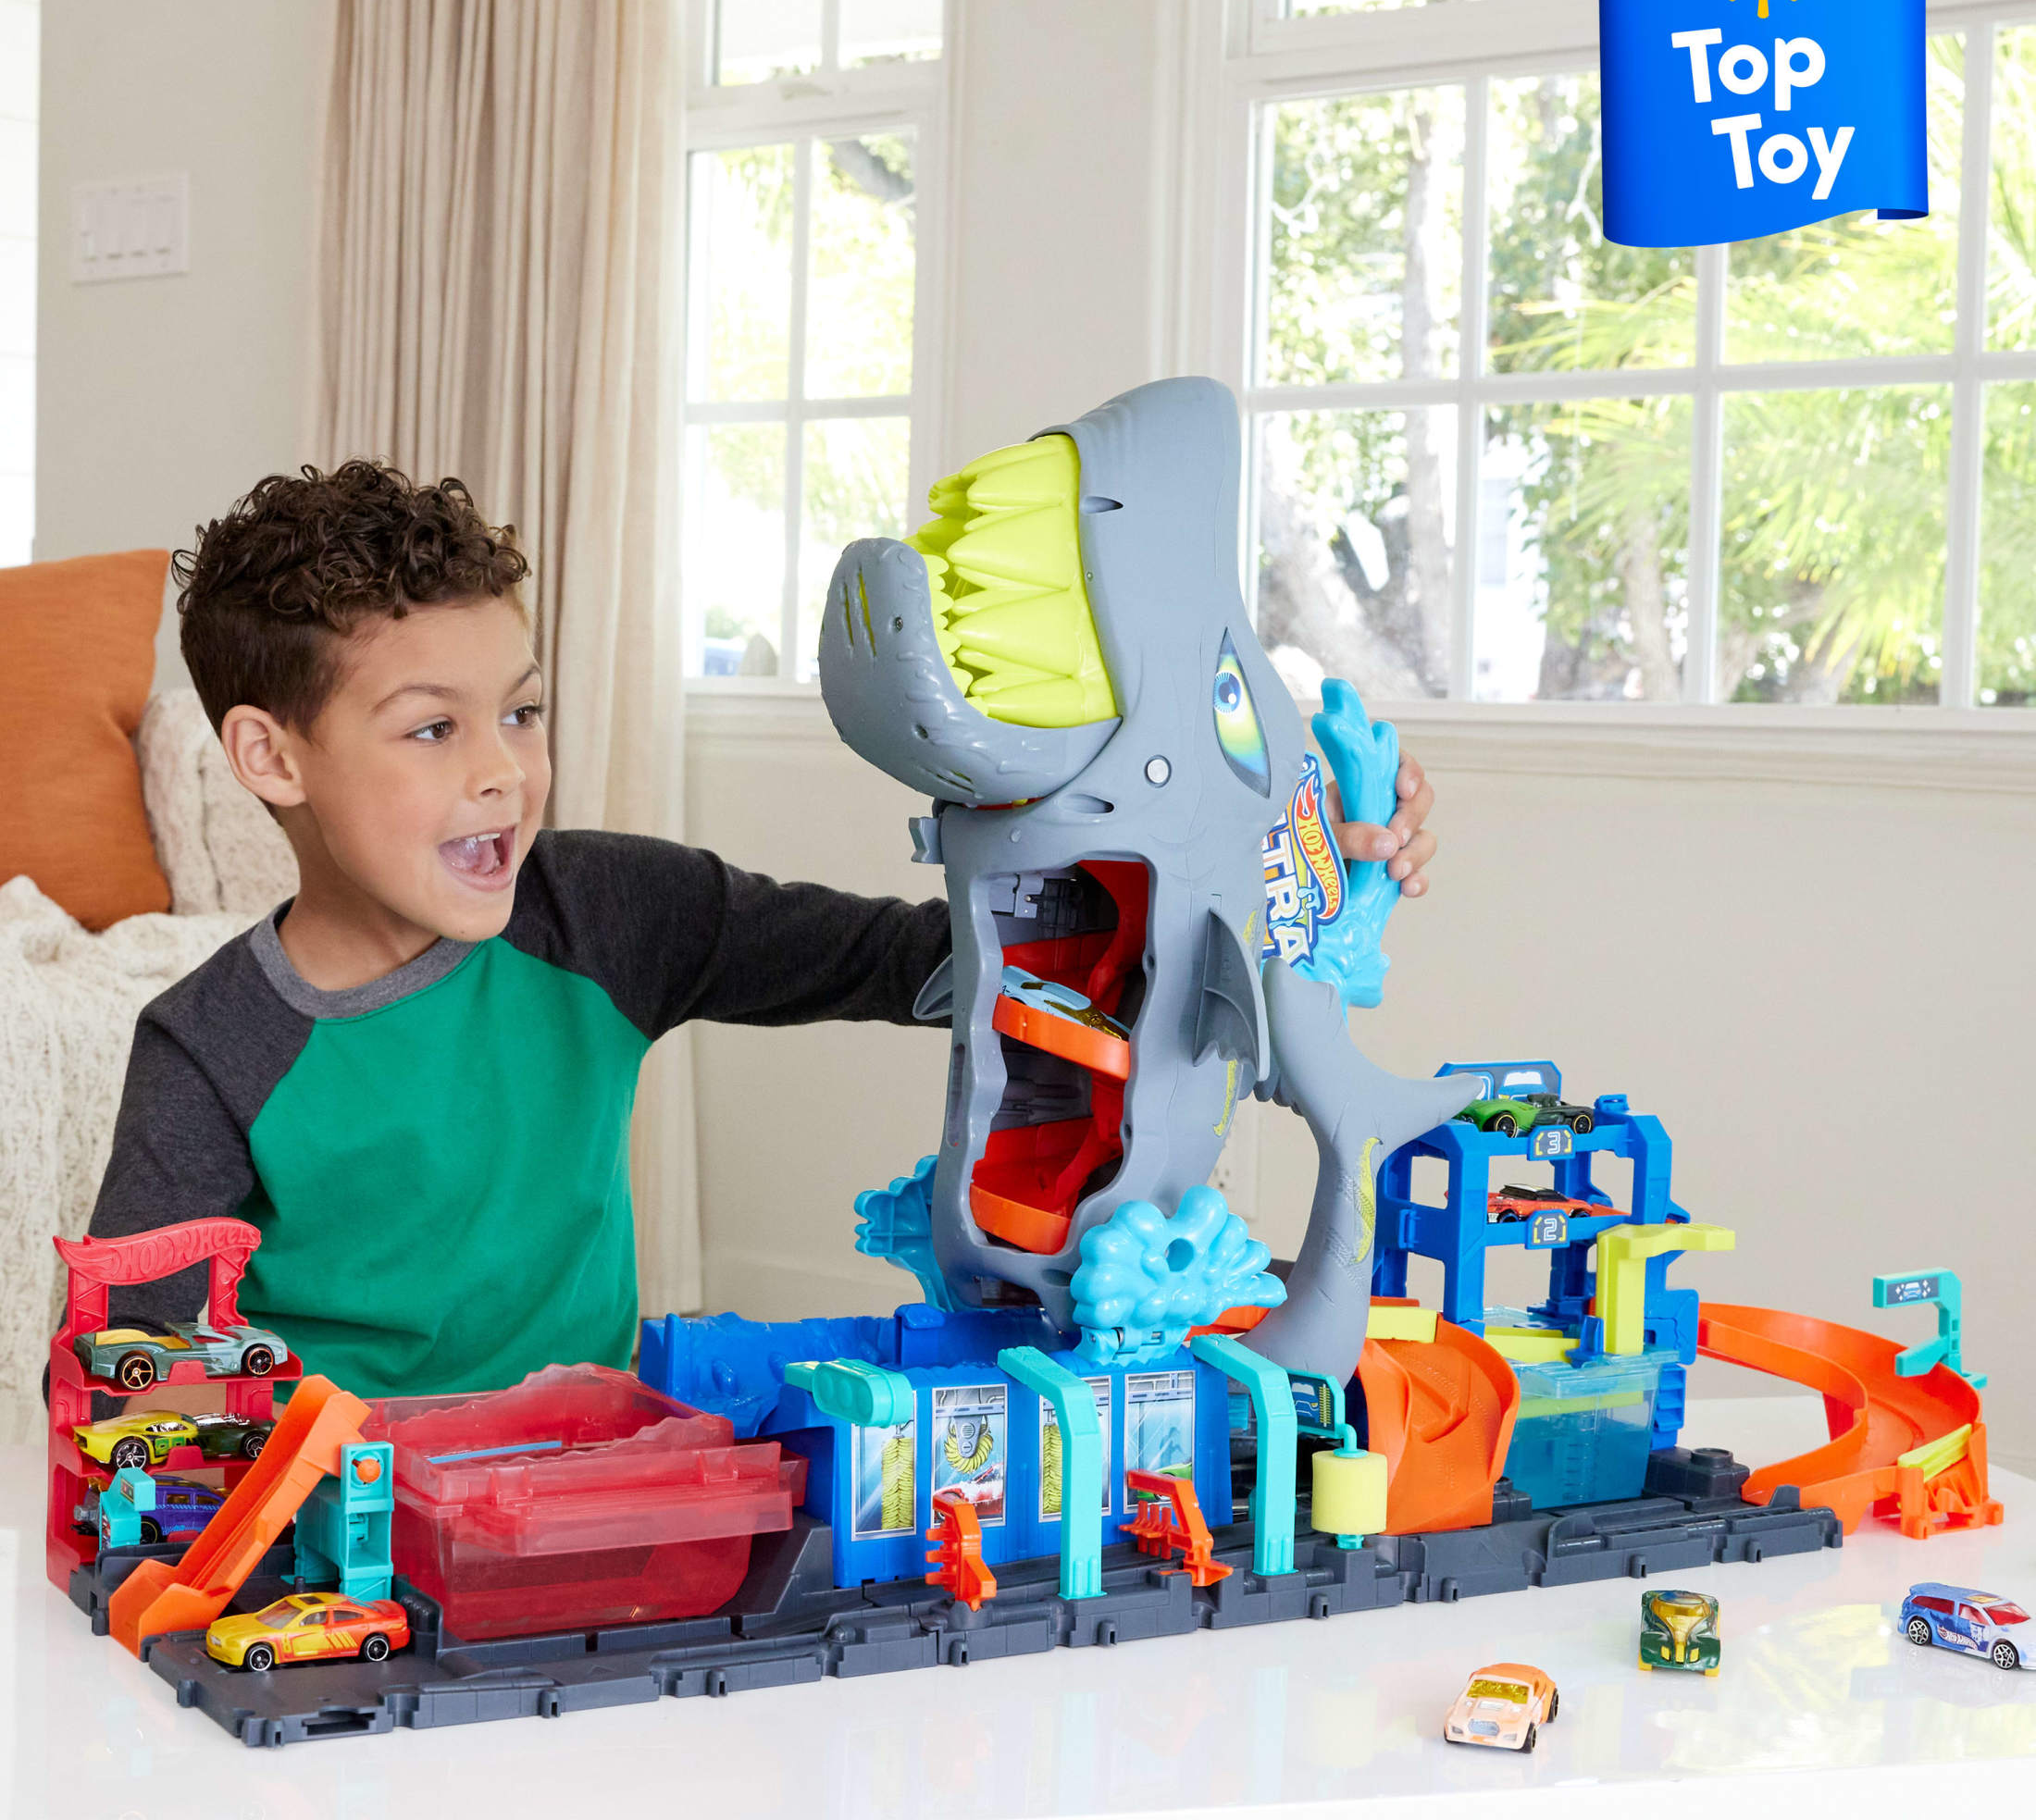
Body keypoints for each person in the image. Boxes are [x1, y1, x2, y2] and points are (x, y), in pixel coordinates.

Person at [87, 461, 1437, 1398]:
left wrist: (1279, 864)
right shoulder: (213, 1048)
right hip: (339, 1522)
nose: (503, 769)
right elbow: (122, 1375)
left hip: (585, 1481)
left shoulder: (605, 914)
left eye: (523, 711)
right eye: (434, 729)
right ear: (271, 758)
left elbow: (930, 960)